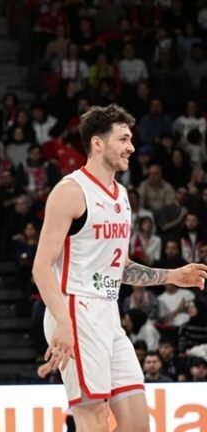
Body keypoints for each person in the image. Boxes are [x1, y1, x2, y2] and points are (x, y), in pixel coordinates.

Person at [33, 105, 207, 431]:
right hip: (75, 309)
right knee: (93, 420)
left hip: (109, 313)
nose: (131, 147)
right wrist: (63, 321)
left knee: (137, 423)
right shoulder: (70, 191)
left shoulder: (122, 195)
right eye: (123, 139)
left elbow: (121, 267)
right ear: (98, 143)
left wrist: (172, 275)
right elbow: (41, 267)